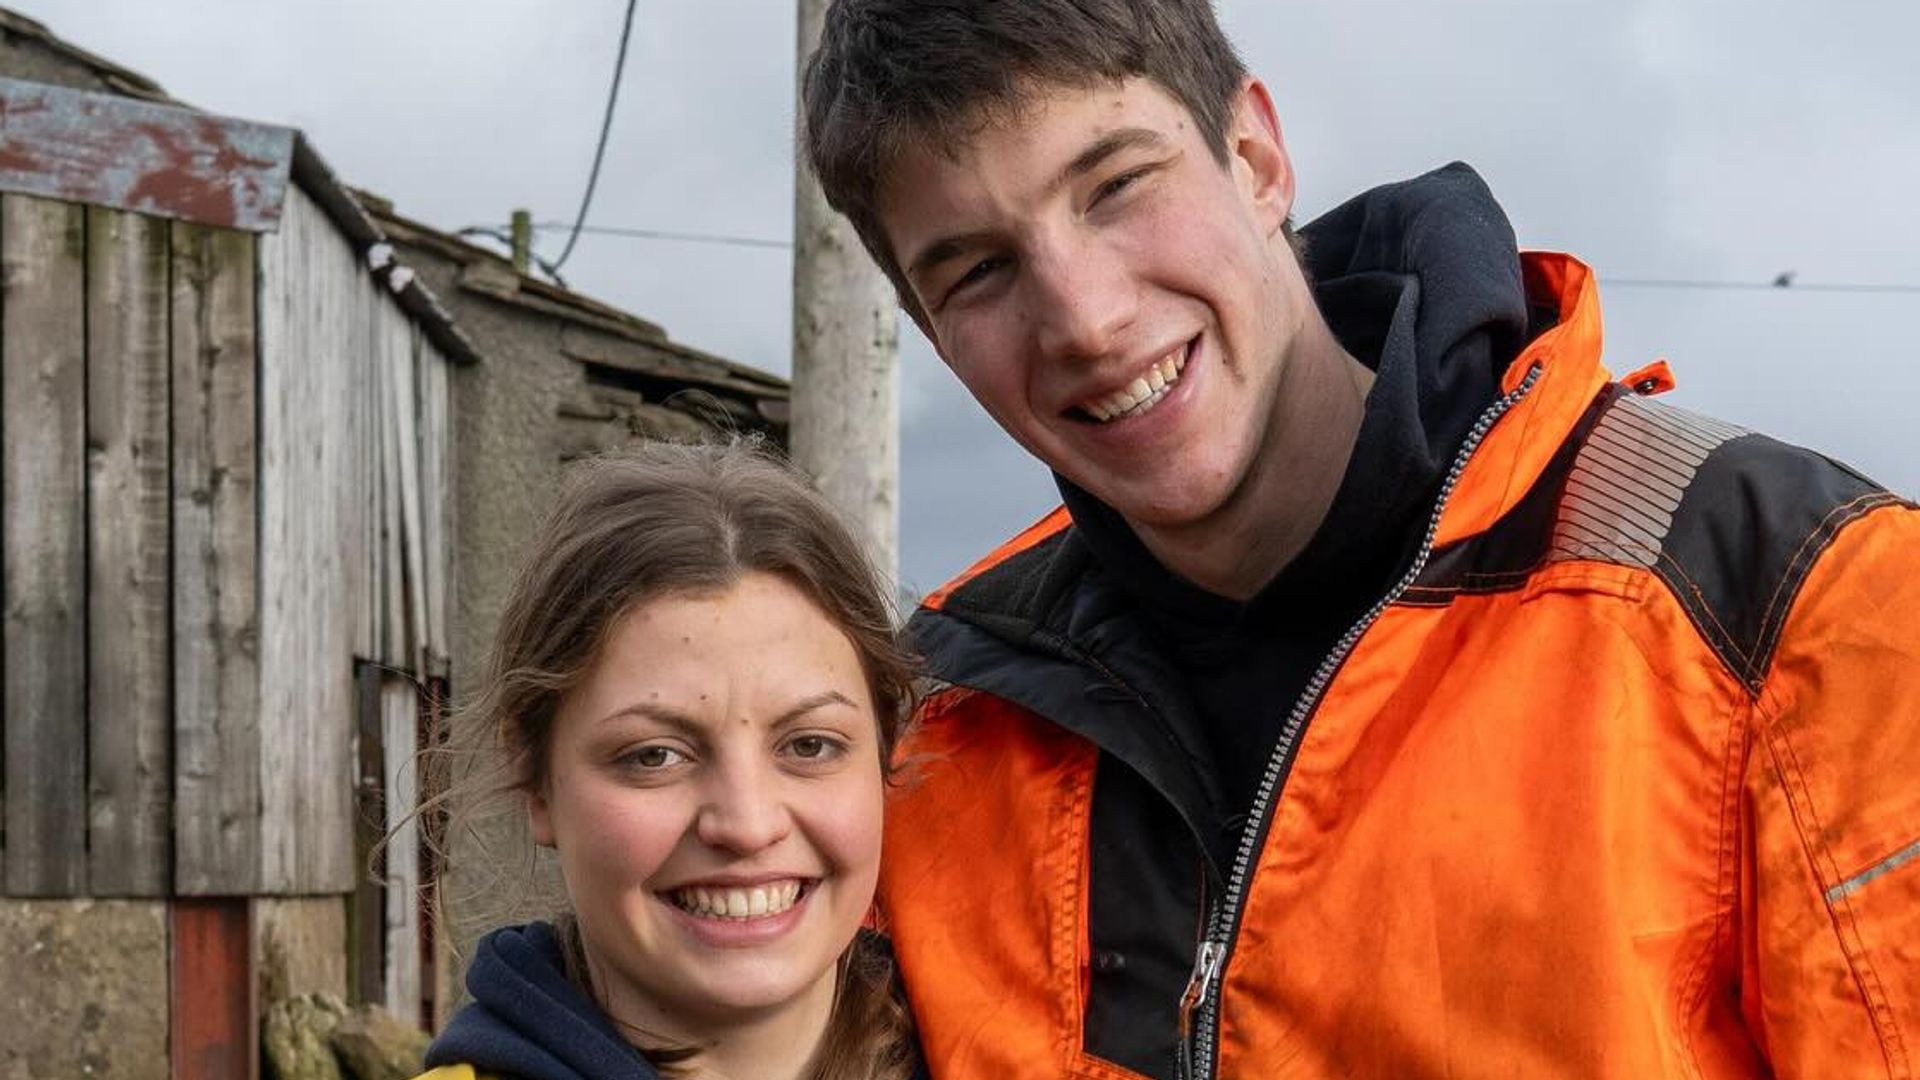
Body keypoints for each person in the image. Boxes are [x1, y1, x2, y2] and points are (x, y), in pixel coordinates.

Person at [801, 2, 1920, 1078]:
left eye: (1117, 187)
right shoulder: (930, 738)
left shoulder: (1802, 602)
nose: (1086, 319)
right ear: (933, 334)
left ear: (1254, 157)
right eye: (979, 270)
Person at [412, 442, 923, 1080]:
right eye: (655, 756)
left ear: (884, 755)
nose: (746, 825)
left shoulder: (1027, 1050)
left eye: (809, 745)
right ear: (536, 783)